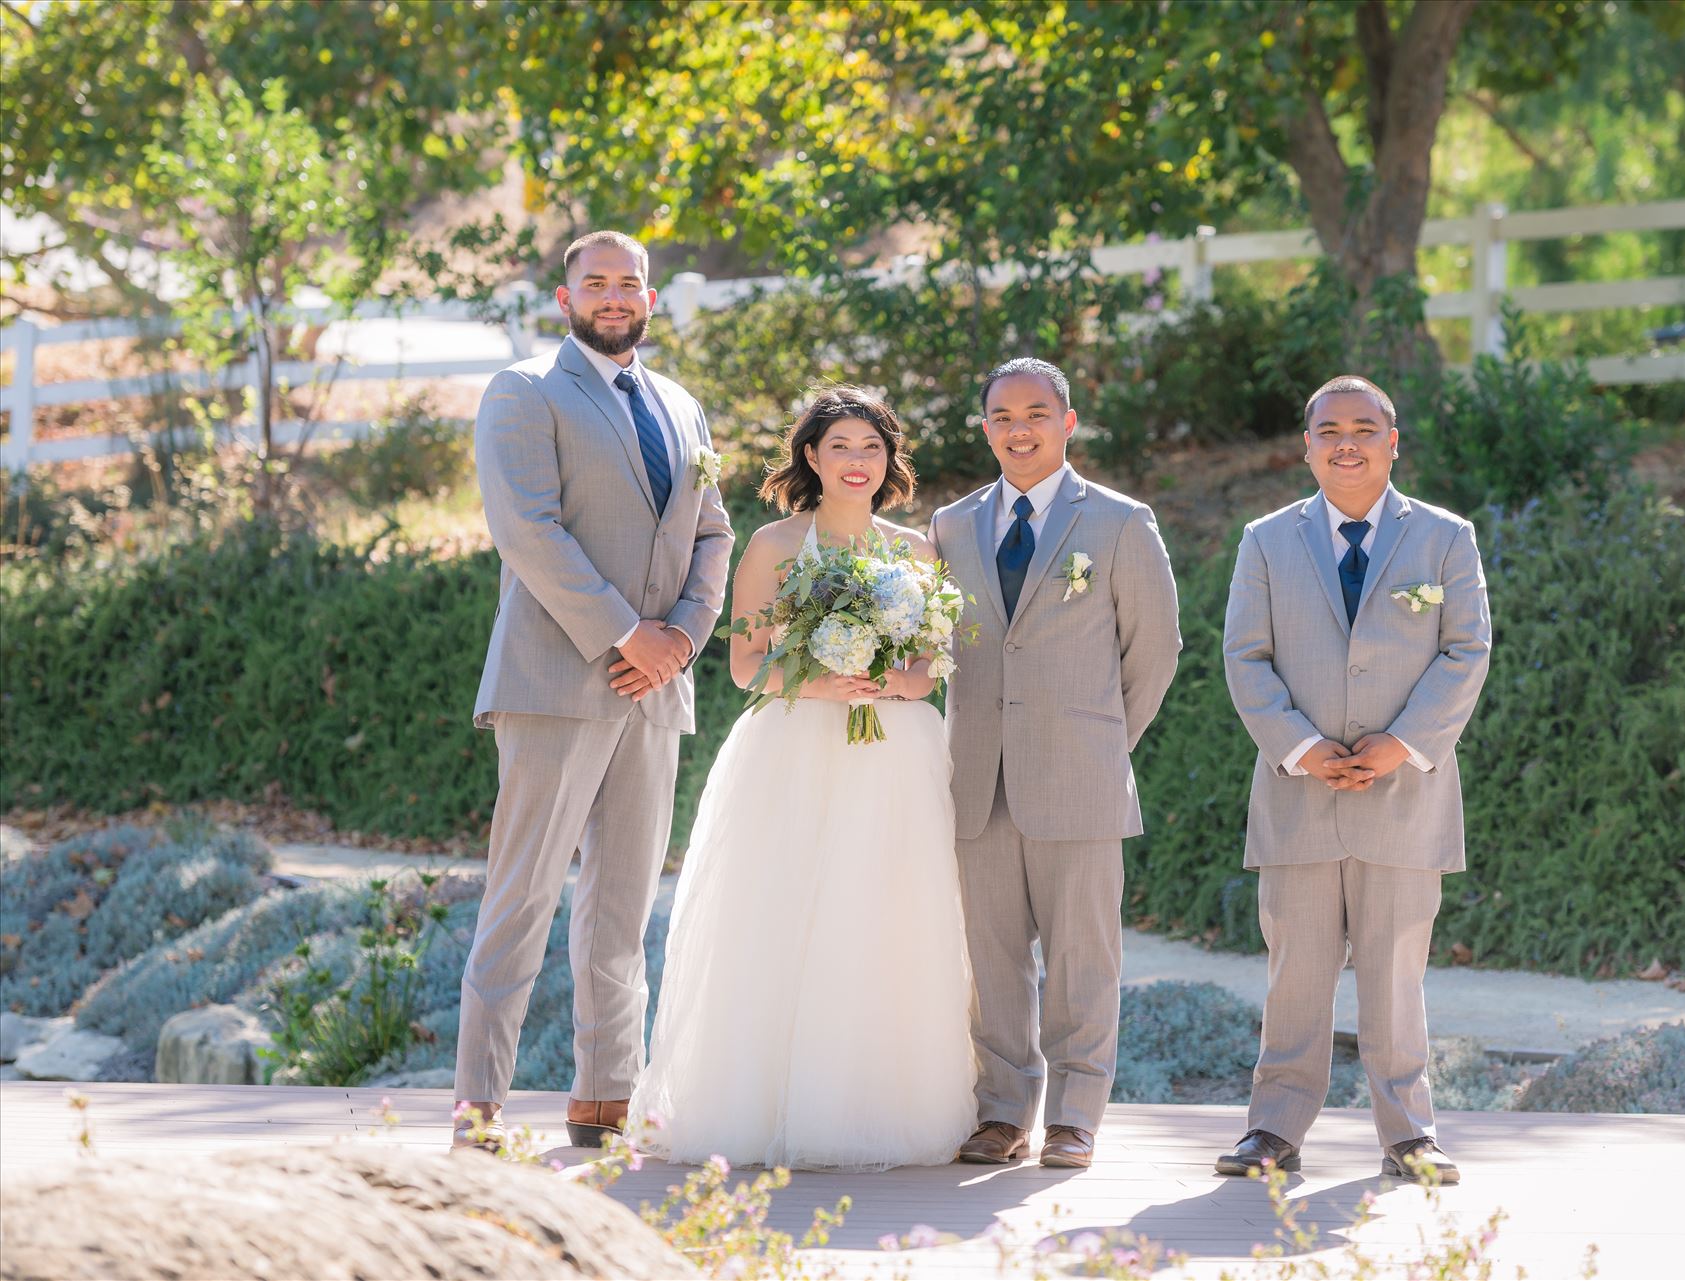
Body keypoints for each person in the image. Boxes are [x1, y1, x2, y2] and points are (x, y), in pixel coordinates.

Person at [633, 385, 976, 1170]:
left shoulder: (915, 550)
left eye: (871, 447)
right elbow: (746, 664)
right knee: (783, 916)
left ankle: (877, 1105)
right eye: (840, 447)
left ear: (890, 460)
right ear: (811, 458)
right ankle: (766, 1105)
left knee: (886, 916)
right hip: (793, 749)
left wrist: (884, 678)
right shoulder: (774, 546)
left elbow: (929, 671)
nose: (857, 462)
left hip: (895, 750)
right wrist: (823, 681)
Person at [453, 230, 735, 1151]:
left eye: (630, 283)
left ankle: (606, 1096)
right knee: (522, 895)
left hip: (656, 689)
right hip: (555, 679)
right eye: (596, 283)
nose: (615, 296)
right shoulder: (525, 392)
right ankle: (478, 1109)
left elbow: (714, 536)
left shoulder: (684, 406)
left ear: (649, 299)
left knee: (622, 906)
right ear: (565, 296)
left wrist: (682, 638)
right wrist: (629, 632)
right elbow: (527, 529)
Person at [1215, 374, 1491, 1185]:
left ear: (1392, 440)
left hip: (1406, 796)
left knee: (1395, 974)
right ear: (1306, 446)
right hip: (1298, 793)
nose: (1347, 442)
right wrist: (1300, 746)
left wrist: (1401, 744)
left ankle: (1409, 1133)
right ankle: (1272, 1130)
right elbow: (1245, 656)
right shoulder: (1266, 541)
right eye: (1329, 429)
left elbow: (1466, 650)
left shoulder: (1444, 538)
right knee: (1294, 970)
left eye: (1364, 428)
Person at [929, 357, 1182, 1169]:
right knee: (991, 960)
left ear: (1067, 422)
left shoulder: (1118, 522)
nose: (1019, 429)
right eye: (1002, 416)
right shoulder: (951, 526)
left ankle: (1076, 1114)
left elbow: (1156, 651)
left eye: (1036, 413)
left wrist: (1104, 740)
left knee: (1083, 956)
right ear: (985, 428)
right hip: (976, 780)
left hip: (1081, 775)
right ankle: (1003, 1110)